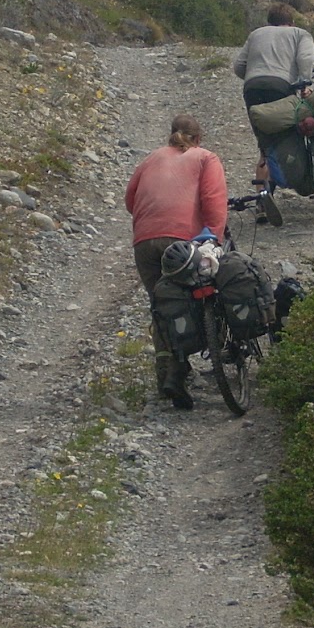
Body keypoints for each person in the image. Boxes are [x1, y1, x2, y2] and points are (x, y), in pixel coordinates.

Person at [125, 113, 227, 409]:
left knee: (163, 305)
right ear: (198, 139)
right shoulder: (205, 158)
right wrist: (213, 239)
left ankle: (168, 374)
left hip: (144, 242)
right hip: (181, 241)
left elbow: (130, 200)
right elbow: (213, 200)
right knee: (198, 293)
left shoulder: (150, 159)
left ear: (171, 135)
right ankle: (194, 357)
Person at [232, 3, 314, 215]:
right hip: (281, 86)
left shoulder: (256, 34)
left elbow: (238, 66)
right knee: (289, 134)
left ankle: (261, 199)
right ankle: (300, 177)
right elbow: (305, 59)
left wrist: (256, 76)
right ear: (291, 21)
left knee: (265, 144)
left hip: (252, 87)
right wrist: (305, 84)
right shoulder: (299, 34)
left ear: (269, 21)